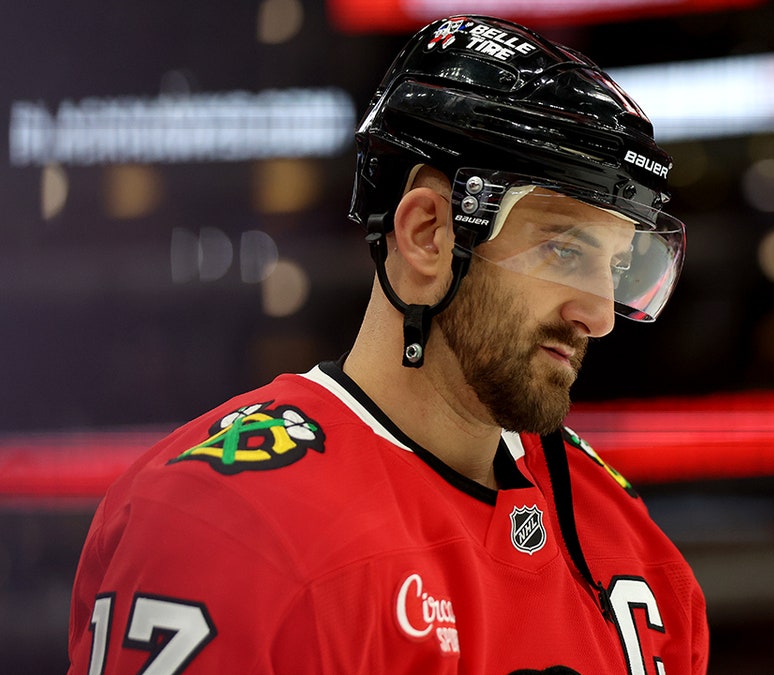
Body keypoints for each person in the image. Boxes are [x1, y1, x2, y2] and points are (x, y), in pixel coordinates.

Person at [66, 14, 707, 675]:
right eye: (564, 249)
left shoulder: (632, 545)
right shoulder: (225, 525)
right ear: (428, 233)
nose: (599, 315)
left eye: (617, 265)